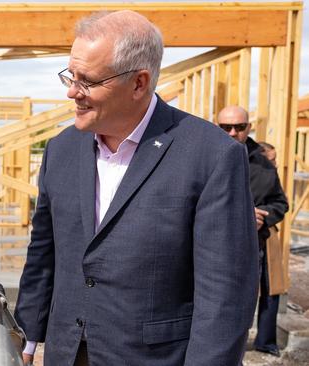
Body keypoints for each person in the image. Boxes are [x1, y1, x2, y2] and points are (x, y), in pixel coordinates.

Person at [15, 11, 259, 365]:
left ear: (139, 83)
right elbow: (44, 253)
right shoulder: (62, 150)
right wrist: (25, 336)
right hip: (68, 353)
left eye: (87, 81)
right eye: (70, 76)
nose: (72, 92)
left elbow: (226, 293)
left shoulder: (212, 156)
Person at [218, 106, 289, 357]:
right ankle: (224, 345)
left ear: (248, 127)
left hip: (258, 240)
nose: (233, 132)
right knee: (223, 296)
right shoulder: (205, 155)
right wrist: (243, 214)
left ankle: (264, 342)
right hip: (218, 243)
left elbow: (280, 203)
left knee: (264, 292)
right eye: (226, 127)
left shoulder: (264, 163)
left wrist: (263, 216)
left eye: (239, 127)